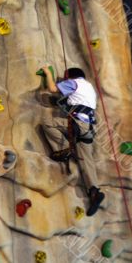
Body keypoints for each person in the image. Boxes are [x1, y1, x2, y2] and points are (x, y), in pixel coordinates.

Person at [41, 66, 105, 216]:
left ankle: (63, 149)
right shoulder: (89, 88)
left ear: (70, 76)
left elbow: (52, 88)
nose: (64, 80)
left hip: (77, 123)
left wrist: (48, 73)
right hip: (88, 128)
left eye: (65, 77)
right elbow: (75, 101)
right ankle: (94, 191)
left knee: (47, 123)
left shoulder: (74, 83)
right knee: (86, 160)